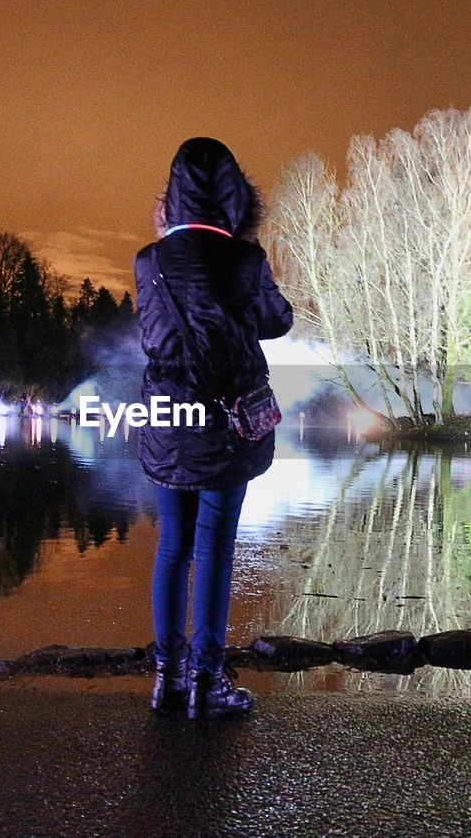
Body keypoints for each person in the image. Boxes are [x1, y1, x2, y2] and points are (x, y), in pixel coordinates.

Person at [135, 137, 293, 719]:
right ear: (235, 196)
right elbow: (278, 322)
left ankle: (166, 681)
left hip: (166, 417)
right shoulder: (244, 261)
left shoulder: (148, 262)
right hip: (227, 418)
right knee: (215, 550)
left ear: (171, 196)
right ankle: (208, 682)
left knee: (171, 548)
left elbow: (149, 337)